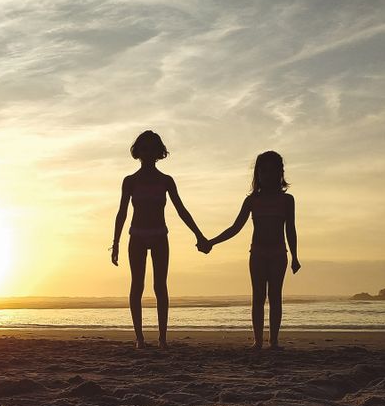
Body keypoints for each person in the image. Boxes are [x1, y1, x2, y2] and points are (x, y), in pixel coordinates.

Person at [112, 130, 208, 349]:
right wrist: (115, 242)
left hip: (159, 235)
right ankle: (140, 338)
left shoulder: (166, 181)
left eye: (152, 148)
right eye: (143, 148)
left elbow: (181, 209)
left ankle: (162, 338)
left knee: (160, 286)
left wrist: (199, 234)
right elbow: (122, 213)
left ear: (158, 152)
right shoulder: (130, 181)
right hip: (136, 235)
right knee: (137, 285)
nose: (147, 152)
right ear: (138, 151)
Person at [202, 151, 300, 349]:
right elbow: (235, 228)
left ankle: (273, 341)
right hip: (257, 254)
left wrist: (295, 256)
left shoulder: (287, 200)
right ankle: (257, 341)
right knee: (258, 297)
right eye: (263, 171)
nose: (267, 175)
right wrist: (212, 242)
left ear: (280, 173)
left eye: (272, 171)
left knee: (275, 296)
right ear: (257, 174)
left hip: (279, 254)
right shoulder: (252, 201)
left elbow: (291, 229)